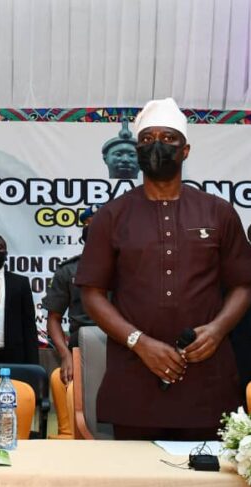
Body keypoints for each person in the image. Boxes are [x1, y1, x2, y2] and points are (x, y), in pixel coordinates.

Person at [77, 97, 251, 440]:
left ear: (185, 150)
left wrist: (217, 330)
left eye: (168, 138)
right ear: (138, 150)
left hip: (208, 384)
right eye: (147, 138)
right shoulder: (112, 216)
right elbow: (92, 292)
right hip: (135, 381)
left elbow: (243, 284)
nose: (157, 145)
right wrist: (139, 342)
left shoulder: (218, 212)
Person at [41, 208, 99, 438]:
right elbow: (54, 319)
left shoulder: (127, 267)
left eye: (98, 226)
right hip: (80, 351)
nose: (92, 231)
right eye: (88, 226)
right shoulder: (68, 270)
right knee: (64, 384)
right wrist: (65, 355)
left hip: (119, 349)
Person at [0, 234, 39, 365]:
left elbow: (29, 326)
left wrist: (33, 364)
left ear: (6, 254)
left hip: (14, 356)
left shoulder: (20, 283)